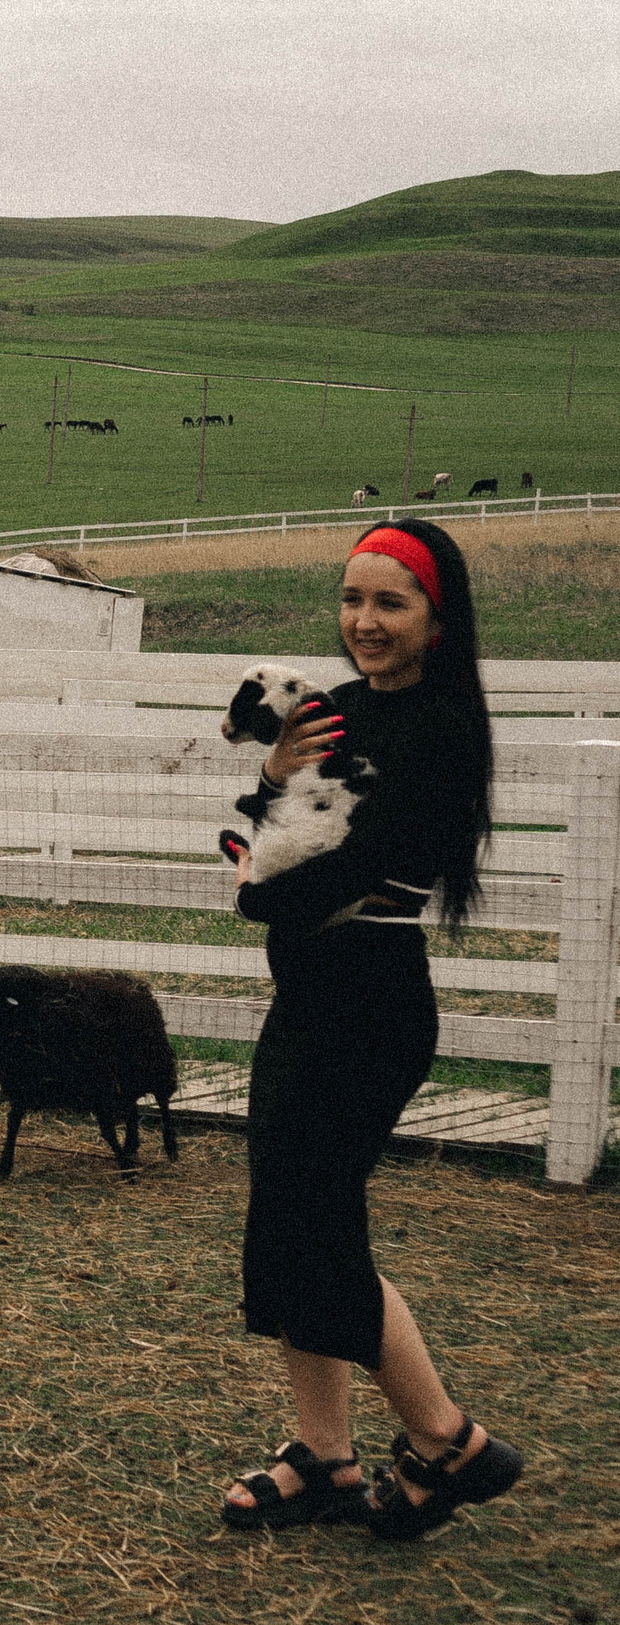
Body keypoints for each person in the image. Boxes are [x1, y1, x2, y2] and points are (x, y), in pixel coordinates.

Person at [218, 518, 523, 1539]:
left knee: (319, 1227)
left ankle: (447, 1440)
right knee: (284, 1215)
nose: (363, 621)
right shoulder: (334, 713)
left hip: (370, 1008)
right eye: (353, 600)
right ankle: (326, 1456)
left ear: (436, 620)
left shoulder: (442, 731)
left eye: (390, 603)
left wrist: (259, 890)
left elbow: (332, 874)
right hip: (306, 998)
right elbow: (271, 829)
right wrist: (266, 789)